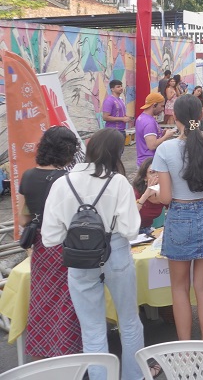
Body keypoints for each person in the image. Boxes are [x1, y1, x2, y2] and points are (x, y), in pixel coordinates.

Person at [41, 129, 148, 380]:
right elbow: (131, 230)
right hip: (117, 252)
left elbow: (51, 238)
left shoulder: (61, 183)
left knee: (91, 329)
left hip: (79, 259)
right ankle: (135, 376)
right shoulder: (118, 182)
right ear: (117, 153)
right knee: (130, 321)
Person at [151, 95, 203, 346]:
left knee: (179, 288)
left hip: (180, 217)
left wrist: (151, 197)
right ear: (201, 116)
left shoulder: (165, 149)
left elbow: (165, 197)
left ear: (174, 118)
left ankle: (186, 349)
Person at [17, 127, 82, 360]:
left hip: (41, 247)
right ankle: (70, 356)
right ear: (67, 151)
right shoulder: (67, 180)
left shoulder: (27, 176)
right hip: (66, 246)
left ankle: (44, 356)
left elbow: (23, 218)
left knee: (43, 302)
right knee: (68, 303)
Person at [135, 92, 177, 167]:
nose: (163, 109)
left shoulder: (142, 117)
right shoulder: (149, 122)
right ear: (154, 105)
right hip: (149, 163)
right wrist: (166, 136)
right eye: (161, 106)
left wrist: (162, 133)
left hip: (145, 161)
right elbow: (152, 145)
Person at [132, 158, 164, 235]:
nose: (157, 175)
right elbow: (130, 214)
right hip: (132, 231)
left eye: (159, 171)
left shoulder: (164, 190)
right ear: (145, 177)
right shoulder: (136, 192)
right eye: (152, 172)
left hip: (147, 229)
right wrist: (146, 195)